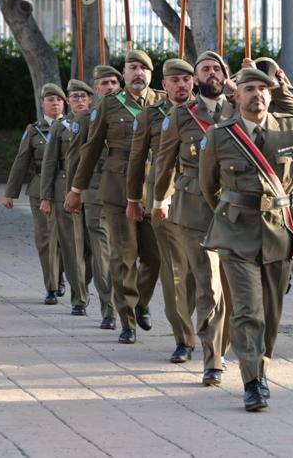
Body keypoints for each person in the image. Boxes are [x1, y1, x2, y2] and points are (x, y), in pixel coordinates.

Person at [152, 52, 293, 387]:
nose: (212, 73)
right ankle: (213, 359)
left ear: (228, 77)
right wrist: (159, 199)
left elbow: (291, 113)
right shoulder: (182, 114)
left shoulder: (244, 106)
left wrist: (258, 76)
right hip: (196, 210)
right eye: (205, 69)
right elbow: (165, 162)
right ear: (196, 77)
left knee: (237, 294)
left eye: (218, 68)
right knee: (210, 287)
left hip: (239, 218)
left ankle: (231, 345)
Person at [199, 67, 293, 411]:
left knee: (272, 314)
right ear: (237, 96)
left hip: (278, 231)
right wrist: (232, 210)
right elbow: (208, 186)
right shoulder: (220, 135)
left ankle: (261, 366)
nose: (257, 94)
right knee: (248, 310)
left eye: (263, 89)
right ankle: (252, 381)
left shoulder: (291, 128)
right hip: (236, 232)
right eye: (249, 89)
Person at [65, 50, 163, 345]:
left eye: (143, 68)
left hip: (153, 187)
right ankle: (127, 319)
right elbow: (91, 149)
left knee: (154, 256)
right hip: (117, 188)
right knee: (123, 256)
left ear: (151, 73)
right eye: (133, 67)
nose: (138, 73)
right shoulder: (109, 105)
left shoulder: (162, 102)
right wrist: (76, 190)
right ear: (125, 73)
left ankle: (142, 302)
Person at [126, 58, 198, 363]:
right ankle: (183, 338)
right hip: (163, 201)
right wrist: (133, 199)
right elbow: (136, 157)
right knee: (174, 272)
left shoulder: (209, 111)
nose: (182, 85)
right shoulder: (151, 115)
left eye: (187, 79)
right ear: (164, 85)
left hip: (200, 200)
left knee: (199, 274)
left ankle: (194, 322)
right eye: (175, 80)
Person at [65, 65, 122, 330]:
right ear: (95, 90)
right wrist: (72, 193)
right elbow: (75, 158)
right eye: (104, 83)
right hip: (97, 190)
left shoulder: (135, 114)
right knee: (102, 251)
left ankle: (133, 304)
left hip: (128, 191)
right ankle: (109, 309)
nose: (109, 87)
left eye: (113, 82)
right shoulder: (86, 119)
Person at [2, 83, 67, 305]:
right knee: (45, 238)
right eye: (50, 100)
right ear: (42, 104)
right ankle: (51, 285)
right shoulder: (34, 131)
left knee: (69, 238)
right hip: (40, 189)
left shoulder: (74, 126)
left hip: (67, 189)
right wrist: (11, 193)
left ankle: (66, 276)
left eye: (59, 100)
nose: (55, 103)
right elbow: (21, 163)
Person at [39, 79, 92, 316]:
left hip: (94, 192)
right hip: (64, 192)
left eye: (83, 96)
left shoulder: (100, 121)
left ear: (90, 99)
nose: (79, 101)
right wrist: (46, 196)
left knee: (93, 250)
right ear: (68, 102)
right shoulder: (60, 128)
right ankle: (79, 297)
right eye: (75, 97)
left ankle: (87, 282)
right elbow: (49, 163)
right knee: (71, 248)